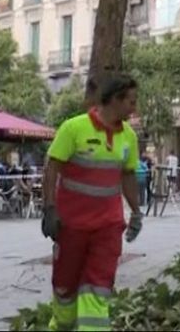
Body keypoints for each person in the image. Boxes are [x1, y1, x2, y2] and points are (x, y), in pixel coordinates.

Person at [40, 73, 143, 331]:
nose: (134, 107)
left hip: (108, 226)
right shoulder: (74, 128)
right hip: (71, 225)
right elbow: (52, 169)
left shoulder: (129, 136)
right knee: (65, 287)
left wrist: (137, 212)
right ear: (115, 99)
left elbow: (128, 175)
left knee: (99, 286)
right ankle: (62, 325)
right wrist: (49, 209)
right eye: (131, 101)